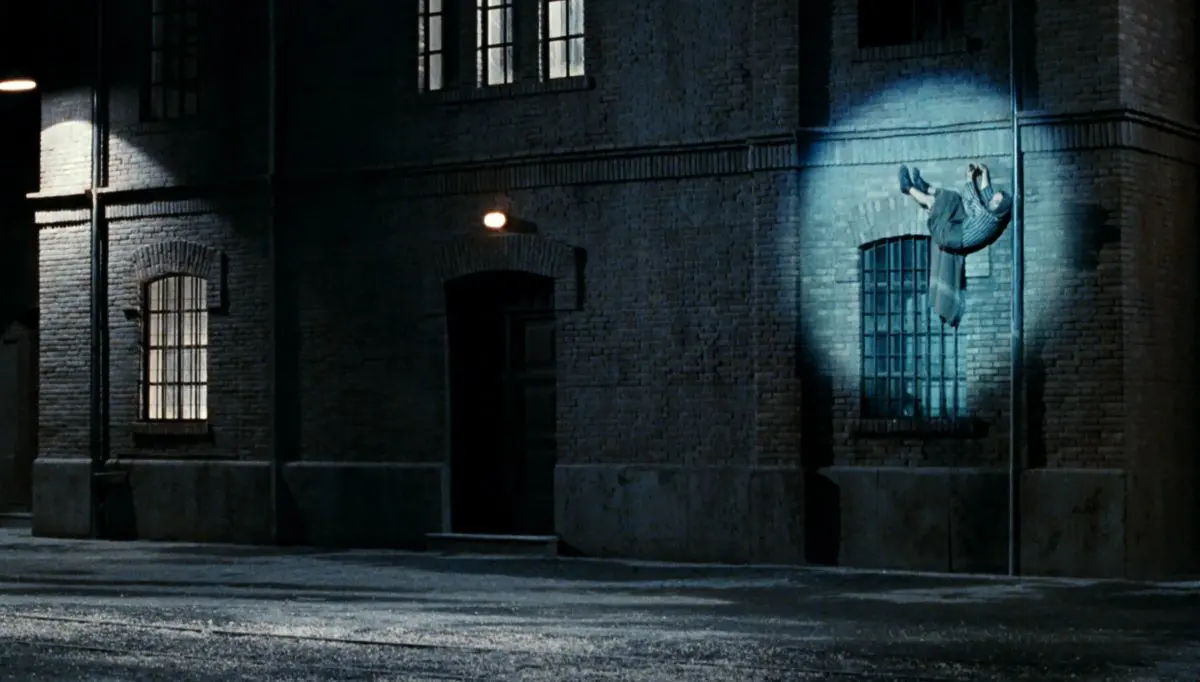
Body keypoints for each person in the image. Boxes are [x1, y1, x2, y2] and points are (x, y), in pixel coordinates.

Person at [898, 163, 1013, 327]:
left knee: (934, 203)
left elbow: (973, 201)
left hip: (950, 237)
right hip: (958, 227)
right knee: (952, 198)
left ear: (1000, 209)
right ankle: (926, 187)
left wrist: (969, 179)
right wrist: (985, 173)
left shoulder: (988, 219)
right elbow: (987, 195)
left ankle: (908, 188)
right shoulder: (995, 212)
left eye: (996, 201)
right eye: (995, 198)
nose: (993, 200)